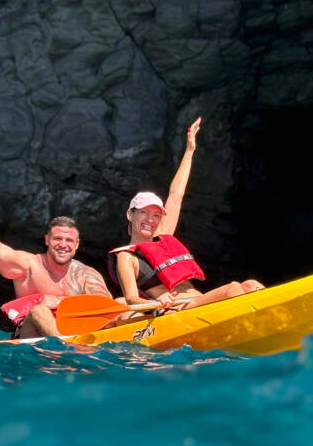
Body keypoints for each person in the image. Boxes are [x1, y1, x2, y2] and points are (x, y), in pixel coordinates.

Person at [109, 116, 264, 315]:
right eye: (144, 213)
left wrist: (190, 151)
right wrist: (160, 302)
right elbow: (130, 297)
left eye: (156, 215)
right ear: (130, 215)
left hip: (198, 300)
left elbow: (175, 195)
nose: (150, 220)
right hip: (176, 310)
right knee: (233, 288)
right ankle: (260, 323)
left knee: (251, 285)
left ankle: (277, 320)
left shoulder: (163, 235)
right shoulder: (126, 256)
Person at [0, 207, 112, 337]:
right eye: (57, 239)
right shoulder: (28, 266)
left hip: (77, 333)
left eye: (69, 240)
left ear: (77, 244)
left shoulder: (85, 275)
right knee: (39, 310)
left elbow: (105, 307)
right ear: (47, 240)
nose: (63, 244)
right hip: (34, 337)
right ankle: (66, 348)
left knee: (120, 303)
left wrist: (60, 303)